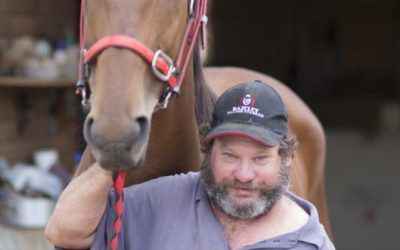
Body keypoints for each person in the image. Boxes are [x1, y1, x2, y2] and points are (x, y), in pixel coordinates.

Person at [45, 80, 335, 250]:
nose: (244, 175)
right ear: (207, 151)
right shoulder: (162, 202)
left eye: (260, 158)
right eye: (230, 156)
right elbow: (63, 231)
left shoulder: (311, 244)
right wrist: (112, 157)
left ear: (286, 158)